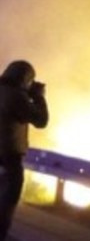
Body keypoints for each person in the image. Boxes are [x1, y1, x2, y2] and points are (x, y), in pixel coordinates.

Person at [0, 60, 49, 239]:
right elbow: (41, 121)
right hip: (9, 157)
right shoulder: (15, 96)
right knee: (7, 202)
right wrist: (39, 96)